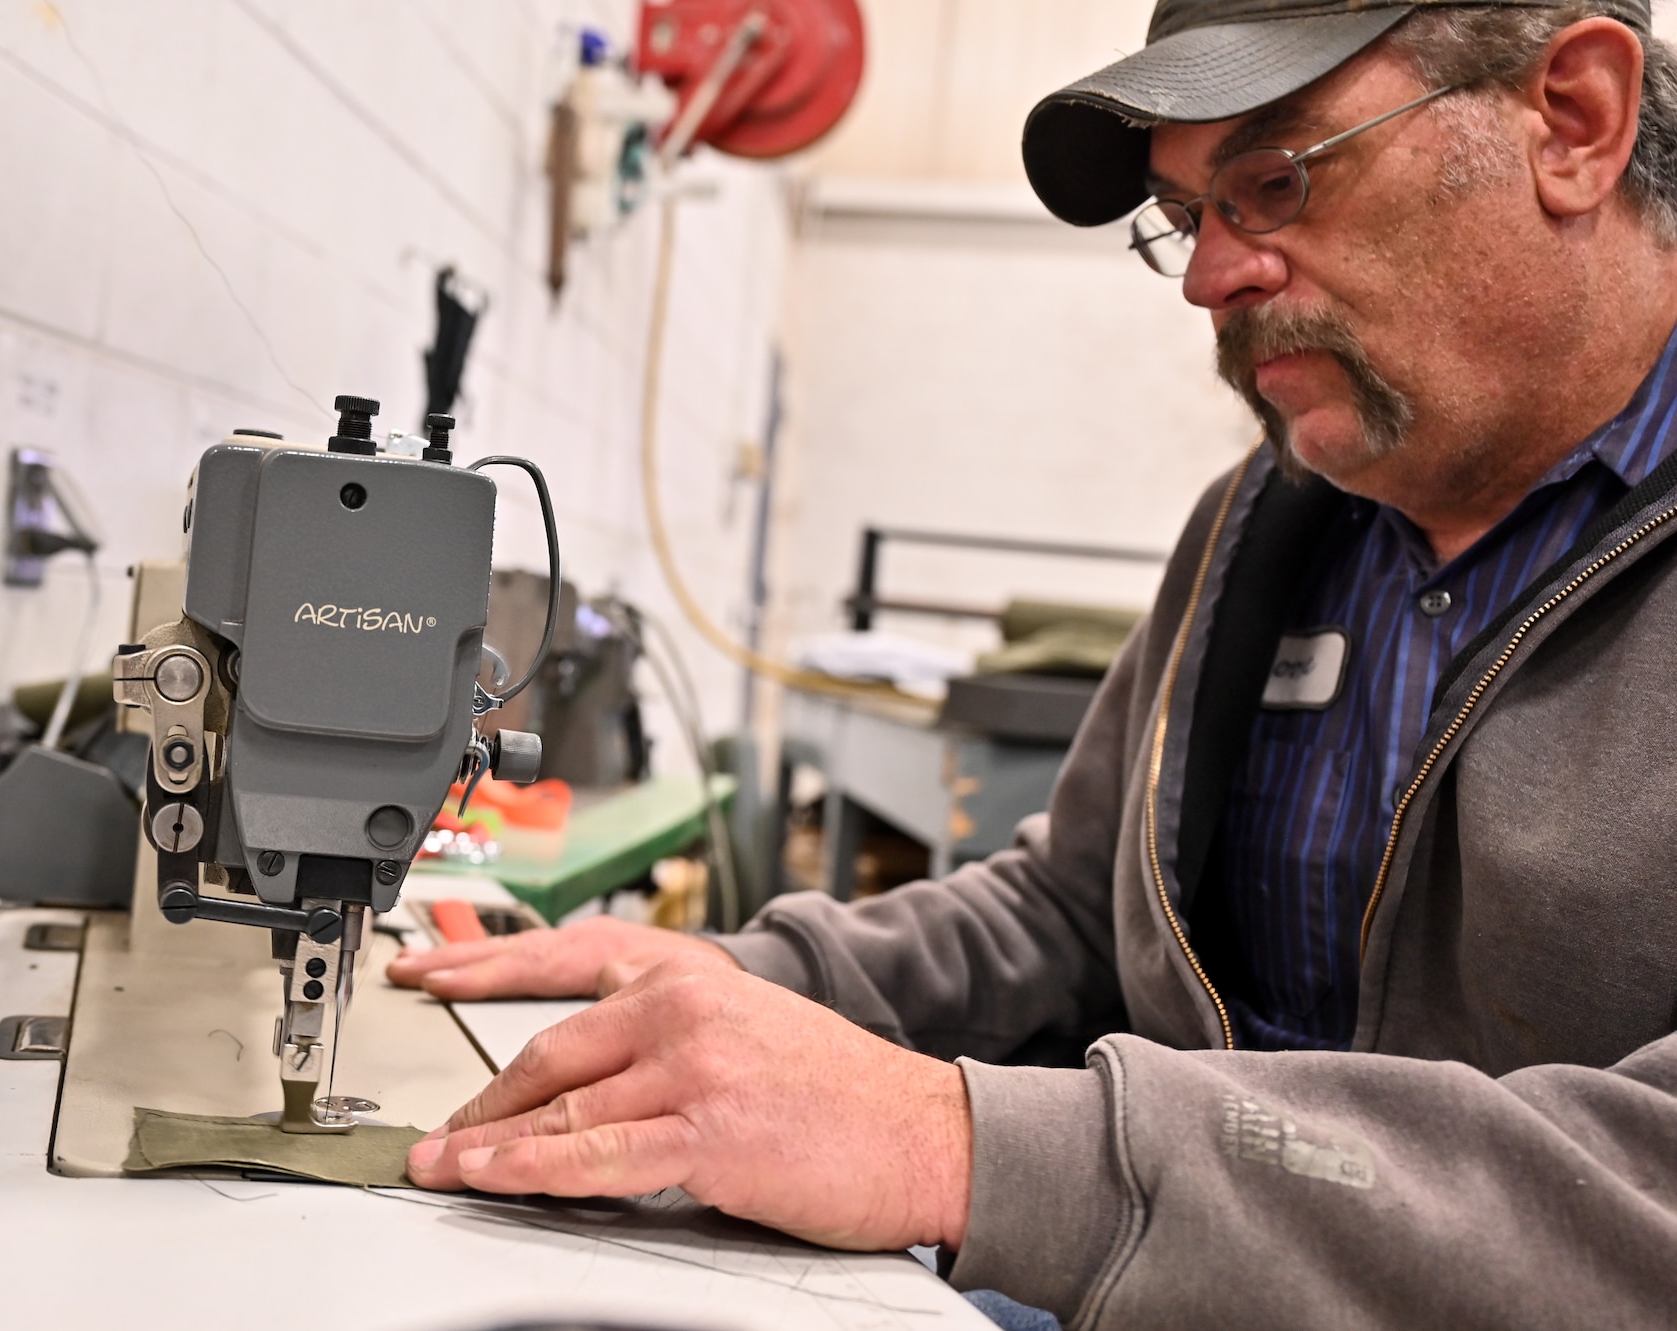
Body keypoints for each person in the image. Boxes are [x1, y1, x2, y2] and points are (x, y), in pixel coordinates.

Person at [390, 2, 1677, 1325]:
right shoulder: (1270, 520)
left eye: (1276, 181)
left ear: (1571, 119)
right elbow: (1070, 917)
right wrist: (741, 982)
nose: (1208, 277)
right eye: (1188, 215)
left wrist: (960, 1143)